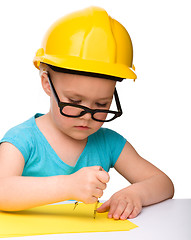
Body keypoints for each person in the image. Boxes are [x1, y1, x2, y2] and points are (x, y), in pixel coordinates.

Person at [0, 6, 174, 220]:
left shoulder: (108, 143)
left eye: (101, 104)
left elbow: (163, 183)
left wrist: (135, 193)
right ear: (47, 84)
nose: (88, 115)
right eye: (74, 101)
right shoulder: (22, 139)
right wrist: (67, 186)